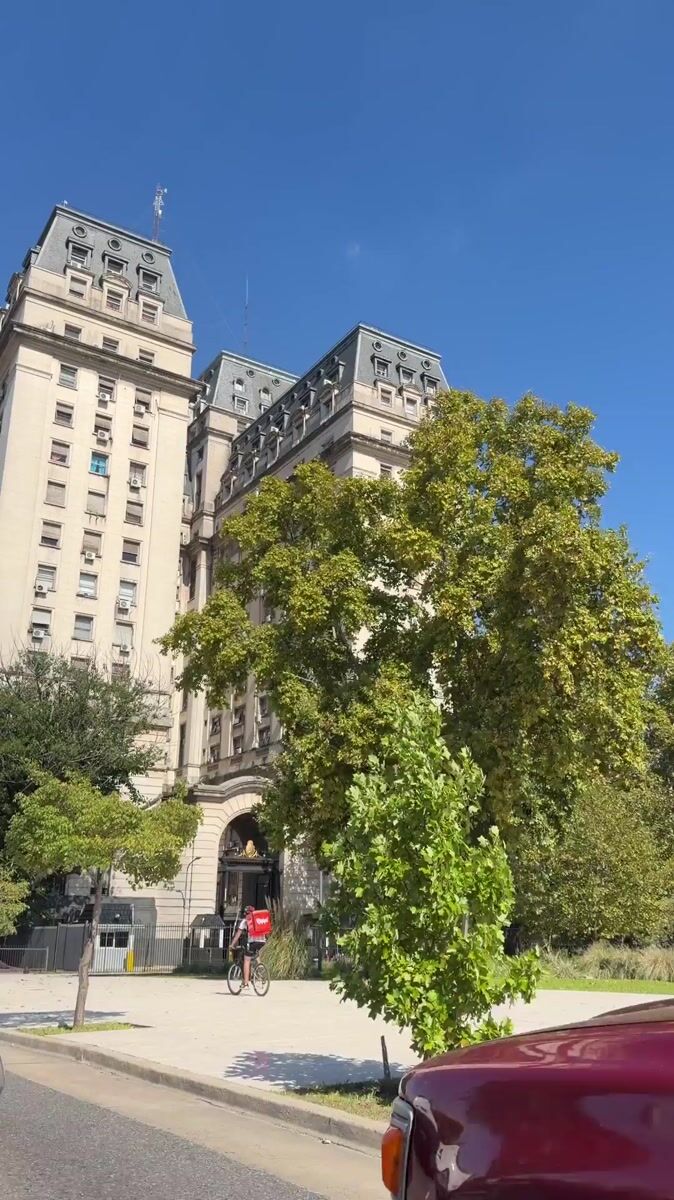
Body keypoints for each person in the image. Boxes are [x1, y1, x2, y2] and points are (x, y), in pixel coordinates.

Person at [229, 905, 266, 989]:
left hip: (253, 942)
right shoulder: (258, 918)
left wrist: (232, 944)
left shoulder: (245, 920)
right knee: (255, 954)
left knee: (246, 960)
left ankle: (246, 984)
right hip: (262, 941)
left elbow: (238, 934)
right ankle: (261, 970)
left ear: (246, 913)